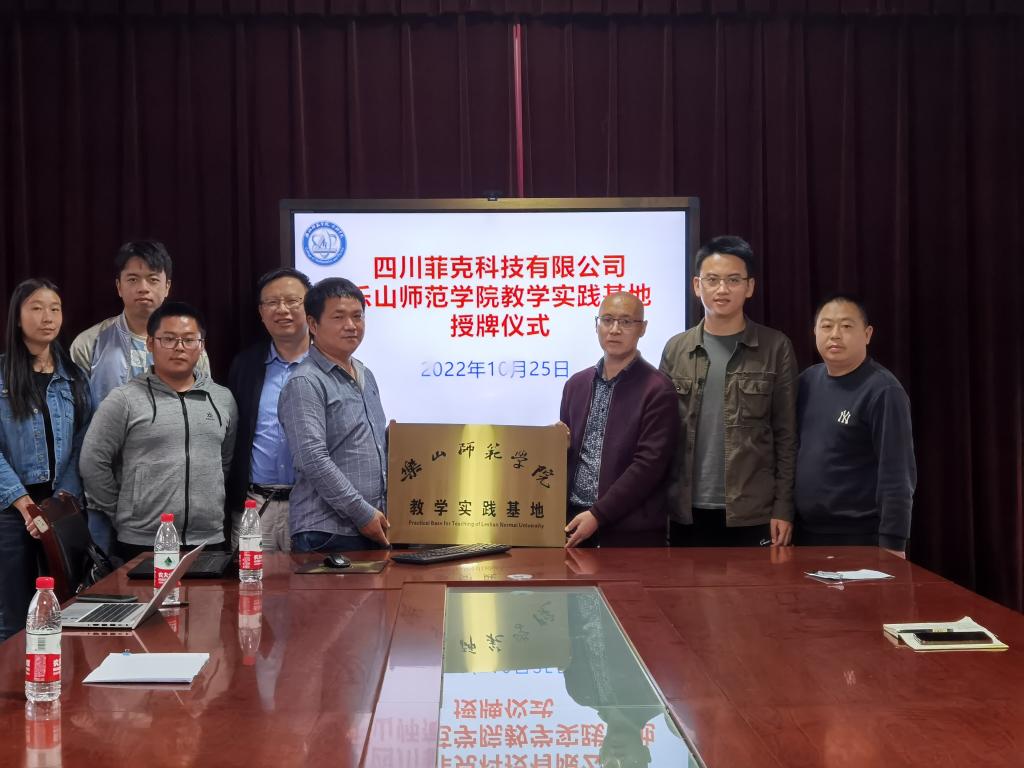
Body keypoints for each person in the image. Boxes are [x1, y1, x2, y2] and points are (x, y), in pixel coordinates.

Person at [70, 239, 209, 553]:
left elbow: (204, 417)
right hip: (104, 491)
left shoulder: (192, 348)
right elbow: (75, 423)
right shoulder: (89, 344)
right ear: (119, 286)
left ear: (167, 286)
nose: (143, 288)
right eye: (133, 279)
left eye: (153, 279)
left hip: (170, 493)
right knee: (109, 577)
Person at [659, 235, 798, 547]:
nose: (722, 289)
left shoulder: (775, 347)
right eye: (712, 280)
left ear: (749, 287)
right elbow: (661, 432)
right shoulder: (676, 349)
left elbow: (786, 435)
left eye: (733, 280)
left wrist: (783, 507)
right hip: (685, 511)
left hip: (753, 512)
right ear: (697, 286)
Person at [79, 301, 237, 561]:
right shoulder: (124, 399)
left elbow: (225, 461)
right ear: (151, 344)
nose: (179, 347)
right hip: (141, 540)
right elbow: (92, 461)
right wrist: (123, 512)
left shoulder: (222, 398)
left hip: (208, 539)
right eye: (169, 339)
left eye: (189, 339)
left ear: (201, 346)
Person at [0, 279, 91, 640]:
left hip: (60, 508)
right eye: (36, 308)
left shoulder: (74, 376)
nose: (47, 317)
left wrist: (60, 500)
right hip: (10, 510)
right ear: (17, 317)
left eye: (55, 308)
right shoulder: (3, 375)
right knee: (13, 617)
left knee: (66, 610)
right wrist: (24, 504)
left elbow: (84, 443)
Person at [794, 293, 916, 557]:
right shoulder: (806, 382)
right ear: (815, 332)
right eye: (827, 326)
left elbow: (897, 475)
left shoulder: (883, 391)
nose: (835, 335)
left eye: (847, 326)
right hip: (805, 534)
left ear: (867, 334)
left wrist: (893, 544)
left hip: (860, 537)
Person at [278, 278, 389, 553]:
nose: (351, 325)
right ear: (313, 325)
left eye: (357, 316)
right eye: (339, 317)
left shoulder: (365, 373)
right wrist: (362, 513)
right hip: (326, 532)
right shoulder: (305, 381)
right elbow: (312, 458)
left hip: (371, 525)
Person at [561, 292, 678, 548]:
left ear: (642, 328)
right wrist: (556, 443)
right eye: (607, 320)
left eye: (626, 322)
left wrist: (597, 514)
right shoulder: (576, 385)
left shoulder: (658, 389)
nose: (614, 329)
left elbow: (649, 466)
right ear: (596, 325)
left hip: (629, 531)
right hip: (573, 522)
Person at [225, 268, 312, 551]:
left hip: (312, 507)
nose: (282, 310)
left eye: (292, 301)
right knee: (249, 579)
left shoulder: (329, 364)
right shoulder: (245, 365)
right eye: (272, 303)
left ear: (310, 308)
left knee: (311, 581)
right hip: (255, 506)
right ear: (261, 313)